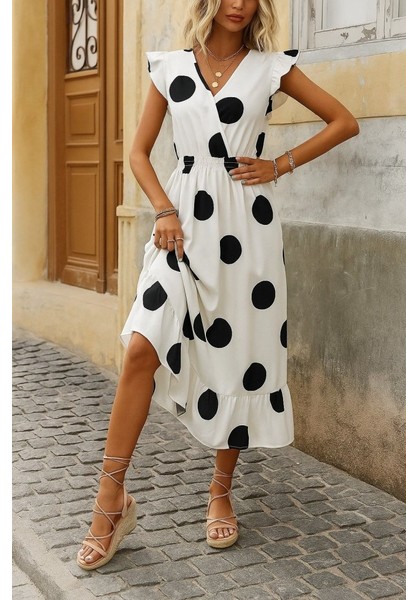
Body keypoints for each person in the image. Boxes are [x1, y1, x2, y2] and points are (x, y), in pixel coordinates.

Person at [77, 0, 359, 570]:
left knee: (238, 356)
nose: (239, 3)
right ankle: (110, 502)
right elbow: (138, 153)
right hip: (180, 227)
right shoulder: (170, 68)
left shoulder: (271, 68)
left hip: (247, 233)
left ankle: (221, 491)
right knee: (141, 347)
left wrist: (278, 165)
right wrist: (163, 209)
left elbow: (343, 121)